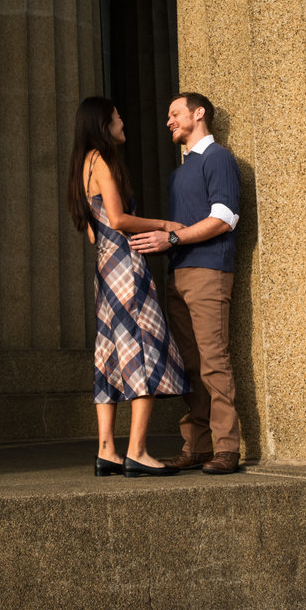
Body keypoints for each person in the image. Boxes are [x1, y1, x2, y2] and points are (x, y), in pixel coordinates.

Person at [67, 96, 190, 478]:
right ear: (103, 124)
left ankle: (107, 450)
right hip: (125, 266)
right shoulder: (102, 161)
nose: (124, 122)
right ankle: (137, 450)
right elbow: (119, 219)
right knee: (144, 346)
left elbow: (94, 231)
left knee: (109, 354)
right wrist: (165, 226)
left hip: (103, 269)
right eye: (118, 117)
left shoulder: (81, 167)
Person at [129, 92, 241, 475]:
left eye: (174, 113)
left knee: (213, 361)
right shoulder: (178, 174)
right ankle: (196, 446)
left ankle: (227, 448)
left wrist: (172, 239)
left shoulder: (219, 158)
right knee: (188, 365)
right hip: (177, 276)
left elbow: (225, 217)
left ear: (199, 113)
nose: (169, 121)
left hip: (209, 272)